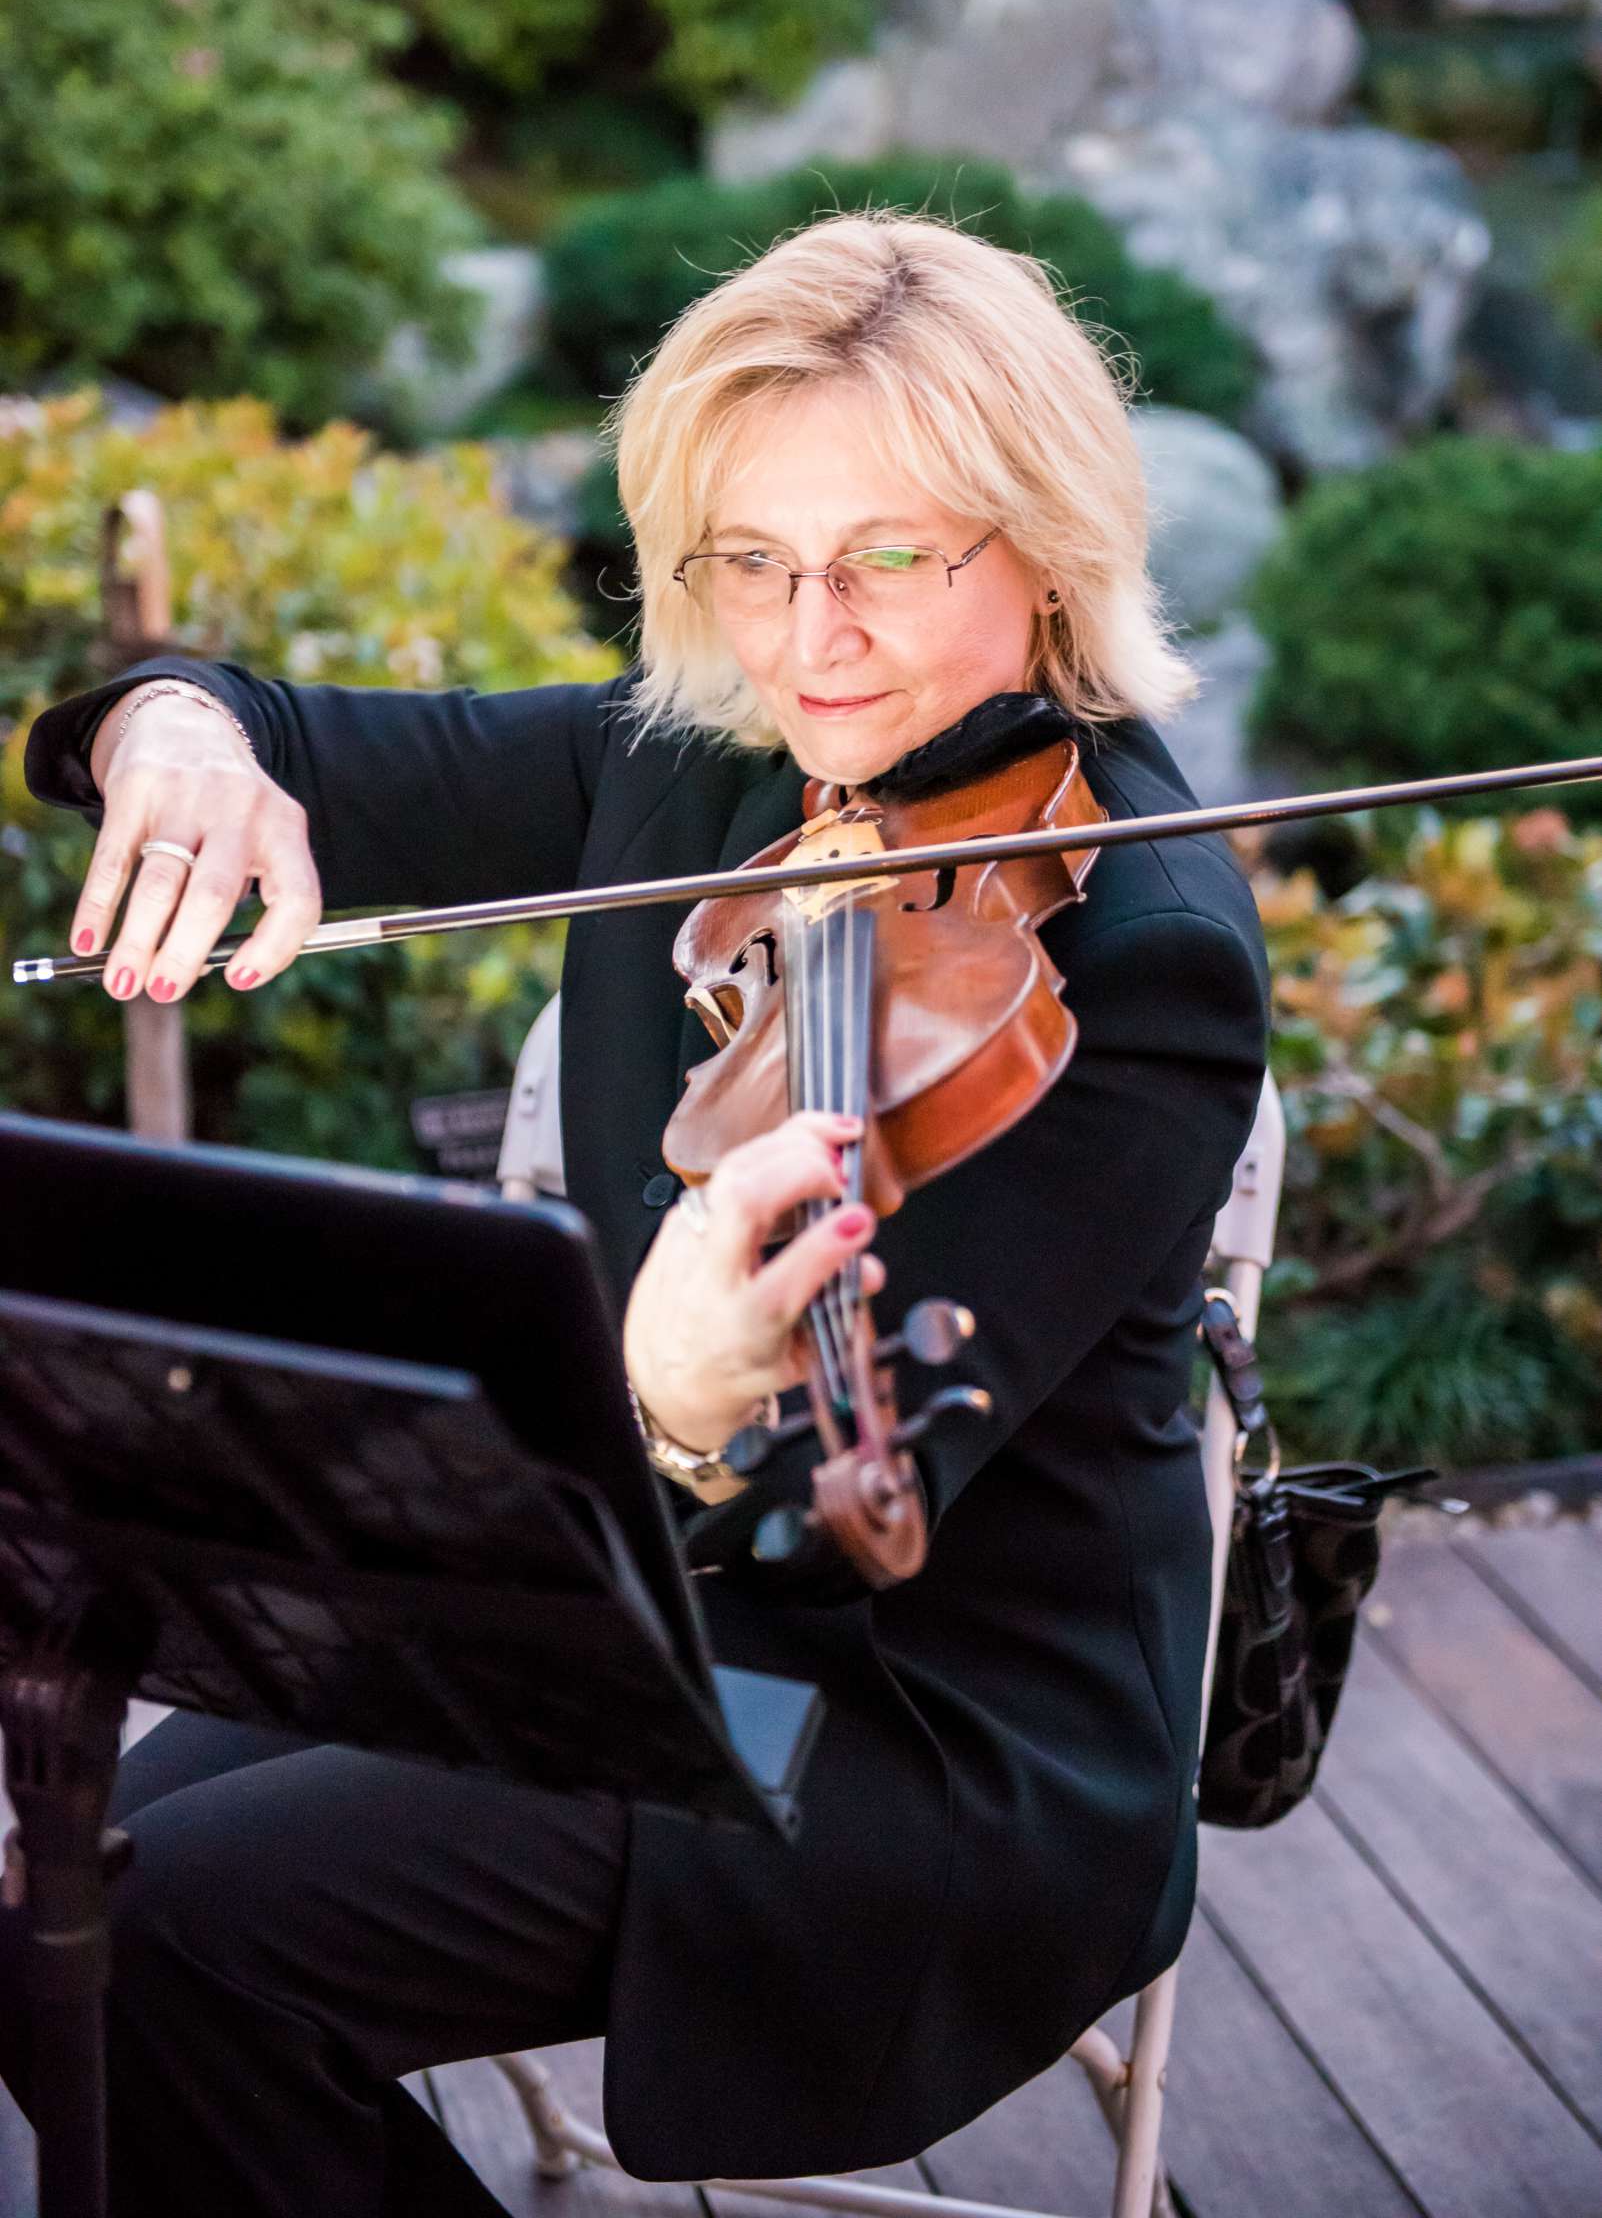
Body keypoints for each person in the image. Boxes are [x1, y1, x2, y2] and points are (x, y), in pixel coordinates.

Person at [10, 211, 1269, 2217]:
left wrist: (672, 1405)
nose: (809, 639)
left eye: (886, 559)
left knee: (175, 1945)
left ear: (1048, 545)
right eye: (749, 562)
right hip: (636, 1618)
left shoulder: (1138, 956)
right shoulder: (700, 767)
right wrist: (182, 740)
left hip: (913, 1727)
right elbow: (273, 728)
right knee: (68, 1889)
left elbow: (843, 1514)